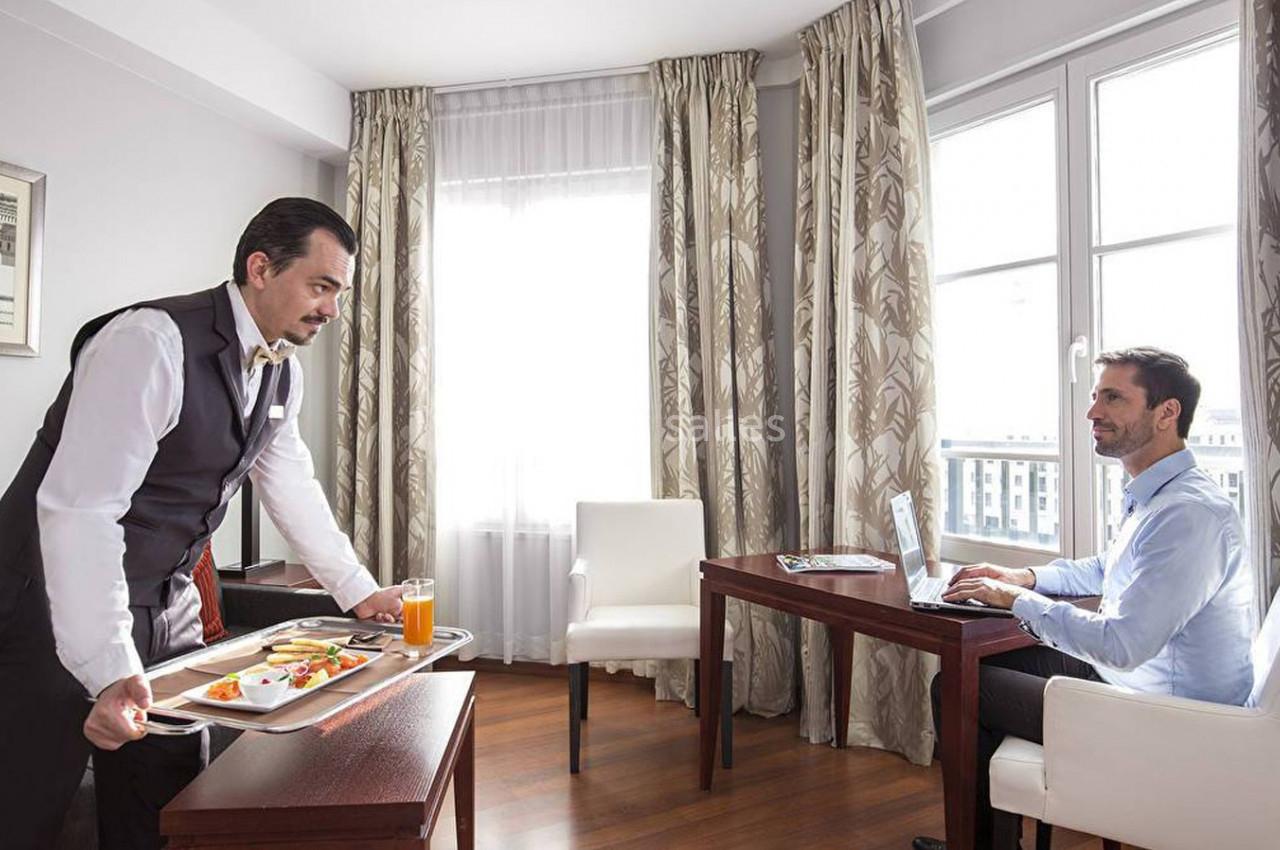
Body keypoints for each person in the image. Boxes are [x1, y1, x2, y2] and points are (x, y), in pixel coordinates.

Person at [0, 197, 406, 849]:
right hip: (50, 601)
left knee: (168, 803)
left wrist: (359, 593)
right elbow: (82, 511)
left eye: (340, 291)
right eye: (322, 285)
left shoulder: (283, 374)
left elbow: (292, 486)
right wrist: (106, 665)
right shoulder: (150, 342)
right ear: (261, 268)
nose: (333, 309)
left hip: (168, 602)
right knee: (26, 808)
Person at [912, 347, 1255, 850]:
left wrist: (1015, 601)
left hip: (1170, 722)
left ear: (1167, 412)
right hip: (1139, 684)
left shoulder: (1189, 514)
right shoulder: (1161, 493)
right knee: (983, 666)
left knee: (957, 686)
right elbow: (1105, 567)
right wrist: (1026, 577)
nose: (1093, 412)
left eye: (1113, 397)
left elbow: (1122, 645)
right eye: (1095, 397)